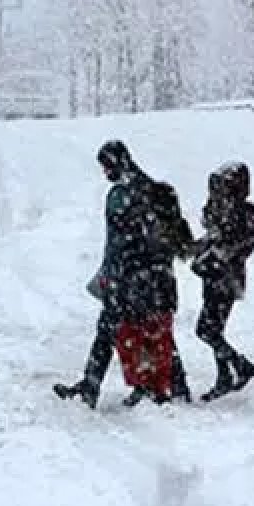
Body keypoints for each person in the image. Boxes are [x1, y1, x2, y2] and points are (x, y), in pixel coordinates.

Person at [54, 140, 193, 408]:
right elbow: (174, 239)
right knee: (155, 332)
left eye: (106, 167)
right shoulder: (156, 191)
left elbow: (119, 243)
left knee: (112, 331)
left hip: (129, 280)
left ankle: (94, 388)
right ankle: (175, 387)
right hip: (157, 278)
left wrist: (111, 276)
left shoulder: (120, 196)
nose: (105, 173)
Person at [191, 161, 254, 402]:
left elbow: (242, 244)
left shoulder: (244, 212)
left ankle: (240, 366)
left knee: (206, 330)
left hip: (226, 279)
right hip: (214, 277)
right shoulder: (222, 211)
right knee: (213, 329)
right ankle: (224, 376)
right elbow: (213, 236)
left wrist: (217, 255)